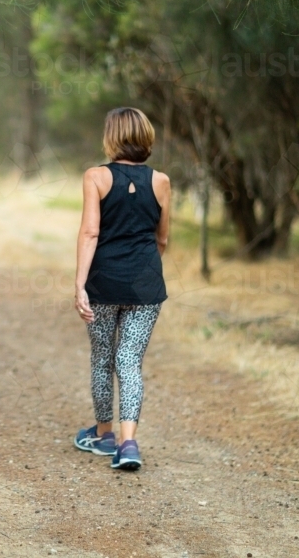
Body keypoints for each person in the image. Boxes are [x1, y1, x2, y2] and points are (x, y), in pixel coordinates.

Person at [73, 107, 171, 471]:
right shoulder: (161, 180)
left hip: (103, 282)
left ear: (111, 137)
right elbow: (162, 238)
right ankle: (129, 444)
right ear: (146, 137)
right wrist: (143, 269)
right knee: (129, 361)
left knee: (103, 358)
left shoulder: (95, 177)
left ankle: (103, 435)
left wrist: (81, 283)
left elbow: (90, 232)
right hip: (146, 286)